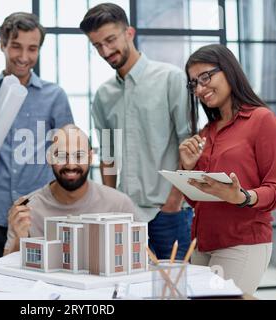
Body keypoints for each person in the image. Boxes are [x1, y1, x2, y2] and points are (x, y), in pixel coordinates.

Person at [79, 3, 192, 259]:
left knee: (176, 293)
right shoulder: (103, 96)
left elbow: (190, 145)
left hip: (169, 214)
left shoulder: (171, 79)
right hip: (125, 217)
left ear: (129, 33)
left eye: (110, 40)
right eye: (97, 45)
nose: (105, 51)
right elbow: (108, 157)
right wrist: (110, 207)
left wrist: (173, 203)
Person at [0, 12, 74, 262]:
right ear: (2, 44)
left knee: (39, 288)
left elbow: (70, 151)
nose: (23, 57)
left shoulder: (55, 96)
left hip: (41, 215)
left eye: (32, 49)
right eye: (16, 47)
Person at [179, 44, 276, 294]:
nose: (200, 88)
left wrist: (242, 197)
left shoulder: (263, 121)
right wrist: (188, 167)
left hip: (242, 244)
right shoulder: (208, 131)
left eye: (205, 77)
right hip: (202, 244)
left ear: (228, 70)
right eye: (193, 83)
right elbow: (199, 200)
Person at [3, 124, 136, 254]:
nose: (71, 165)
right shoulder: (27, 210)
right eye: (61, 156)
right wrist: (19, 240)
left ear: (90, 157)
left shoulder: (119, 205)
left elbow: (140, 259)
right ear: (49, 158)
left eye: (79, 156)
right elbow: (5, 270)